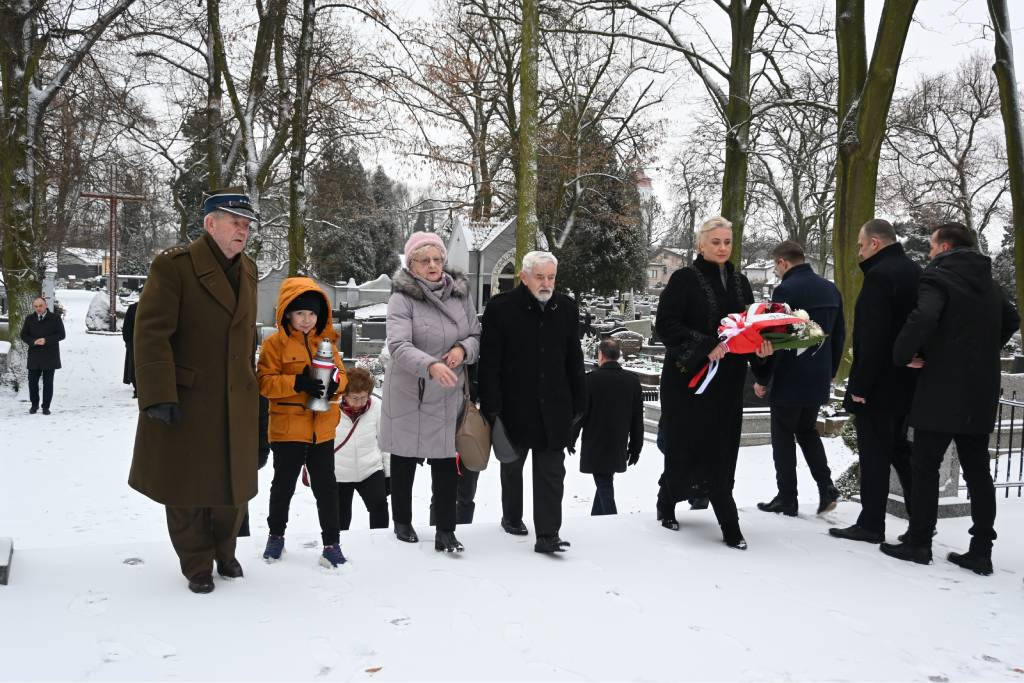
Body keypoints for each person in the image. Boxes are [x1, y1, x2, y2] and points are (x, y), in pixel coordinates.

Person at [128, 190, 261, 594]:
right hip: (188, 397)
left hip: (236, 397)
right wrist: (158, 394)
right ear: (210, 223)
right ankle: (196, 563)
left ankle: (225, 551)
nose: (243, 230)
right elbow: (151, 333)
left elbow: (247, 338)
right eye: (235, 222)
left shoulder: (249, 269)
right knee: (185, 486)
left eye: (247, 224)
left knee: (232, 486)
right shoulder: (175, 267)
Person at [880, 222, 1019, 573]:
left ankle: (919, 542)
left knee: (925, 465)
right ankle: (981, 550)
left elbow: (924, 316)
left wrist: (902, 354)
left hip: (941, 386)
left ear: (944, 247)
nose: (928, 252)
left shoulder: (937, 278)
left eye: (931, 246)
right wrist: (982, 351)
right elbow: (1011, 319)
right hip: (979, 388)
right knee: (978, 470)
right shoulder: (989, 283)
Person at [654, 216, 773, 550]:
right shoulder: (683, 279)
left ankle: (727, 517)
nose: (722, 248)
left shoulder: (741, 282)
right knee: (686, 444)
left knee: (722, 447)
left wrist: (762, 353)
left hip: (728, 382)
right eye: (716, 242)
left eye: (727, 242)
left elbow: (749, 329)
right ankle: (668, 499)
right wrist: (706, 346)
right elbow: (666, 324)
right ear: (701, 244)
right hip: (688, 382)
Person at [378, 232, 481, 553]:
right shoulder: (401, 298)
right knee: (405, 459)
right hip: (411, 389)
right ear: (411, 265)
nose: (433, 265)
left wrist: (462, 350)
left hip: (448, 390)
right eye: (425, 260)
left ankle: (446, 531)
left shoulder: (460, 294)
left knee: (446, 463)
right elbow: (398, 345)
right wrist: (431, 365)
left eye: (437, 259)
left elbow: (476, 334)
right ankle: (402, 521)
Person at [479, 250, 586, 554]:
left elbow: (574, 358)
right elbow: (490, 362)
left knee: (552, 472)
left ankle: (548, 534)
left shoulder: (566, 308)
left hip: (554, 406)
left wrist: (580, 401)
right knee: (513, 466)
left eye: (551, 277)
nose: (546, 283)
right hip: (514, 406)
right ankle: (512, 516)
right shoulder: (501, 308)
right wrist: (492, 406)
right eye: (540, 277)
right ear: (524, 277)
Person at [829, 219, 922, 545]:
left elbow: (872, 337)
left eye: (860, 245)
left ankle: (871, 524)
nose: (858, 251)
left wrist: (859, 388)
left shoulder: (880, 276)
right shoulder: (915, 270)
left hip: (880, 384)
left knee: (874, 455)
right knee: (900, 450)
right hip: (907, 379)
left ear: (875, 243)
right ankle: (922, 519)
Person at [258, 278, 348, 568]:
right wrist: (297, 383)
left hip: (322, 429)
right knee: (283, 486)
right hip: (287, 430)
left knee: (327, 488)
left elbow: (342, 376)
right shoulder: (274, 344)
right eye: (300, 313)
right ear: (287, 313)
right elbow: (264, 383)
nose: (307, 319)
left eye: (312, 313)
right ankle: (276, 535)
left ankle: (332, 543)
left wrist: (335, 385)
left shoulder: (328, 343)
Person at [755, 240, 844, 517]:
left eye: (776, 266)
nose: (776, 271)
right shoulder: (831, 289)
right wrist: (830, 372)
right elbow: (839, 335)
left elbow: (775, 338)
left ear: (783, 262)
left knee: (783, 436)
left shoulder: (786, 290)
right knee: (807, 431)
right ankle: (826, 487)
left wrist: (762, 377)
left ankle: (787, 497)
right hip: (818, 374)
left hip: (790, 375)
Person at [571, 338, 644, 515]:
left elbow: (581, 415)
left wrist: (570, 437)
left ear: (601, 355)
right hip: (618, 442)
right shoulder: (632, 381)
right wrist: (636, 447)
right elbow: (637, 418)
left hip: (595, 442)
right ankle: (596, 520)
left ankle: (613, 521)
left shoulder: (590, 380)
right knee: (604, 480)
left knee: (604, 483)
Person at [334, 367, 390, 530]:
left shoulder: (376, 407)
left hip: (370, 469)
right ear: (345, 395)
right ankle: (340, 543)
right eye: (355, 398)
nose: (360, 403)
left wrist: (389, 474)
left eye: (364, 397)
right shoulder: (331, 408)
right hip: (339, 472)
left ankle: (379, 541)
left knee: (379, 507)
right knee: (340, 516)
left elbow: (385, 441)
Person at [20, 296, 66, 414]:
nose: (38, 308)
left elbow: (61, 335)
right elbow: (23, 335)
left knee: (48, 383)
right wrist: (33, 341)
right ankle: (34, 405)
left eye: (40, 306)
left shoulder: (55, 318)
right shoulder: (29, 318)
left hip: (50, 356)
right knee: (32, 383)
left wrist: (46, 340)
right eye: (36, 306)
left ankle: (46, 407)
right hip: (34, 356)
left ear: (46, 305)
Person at [122, 301, 138, 398]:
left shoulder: (133, 308)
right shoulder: (133, 308)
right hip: (135, 342)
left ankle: (137, 389)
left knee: (134, 366)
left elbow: (126, 328)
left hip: (134, 342)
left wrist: (128, 341)